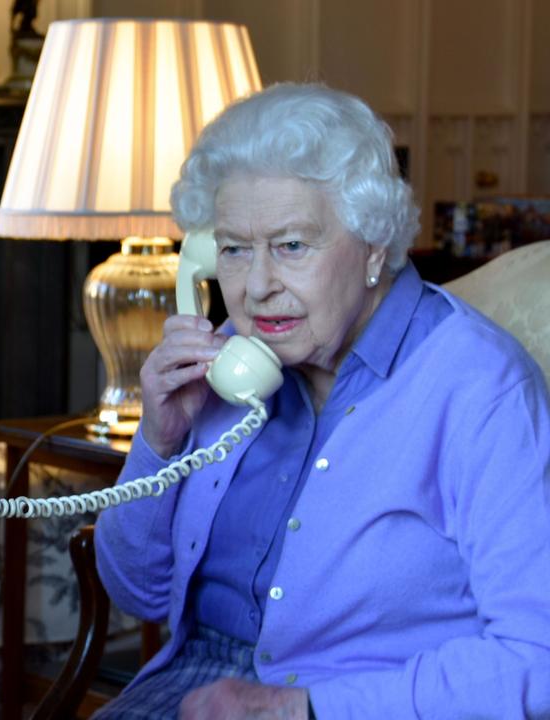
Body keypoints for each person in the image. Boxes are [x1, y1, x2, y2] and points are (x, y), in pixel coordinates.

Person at [93, 83, 550, 719]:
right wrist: (158, 442)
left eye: (291, 246)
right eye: (233, 249)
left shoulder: (481, 387)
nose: (255, 288)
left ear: (373, 246)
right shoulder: (227, 362)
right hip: (189, 692)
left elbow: (537, 657)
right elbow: (136, 591)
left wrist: (303, 708)